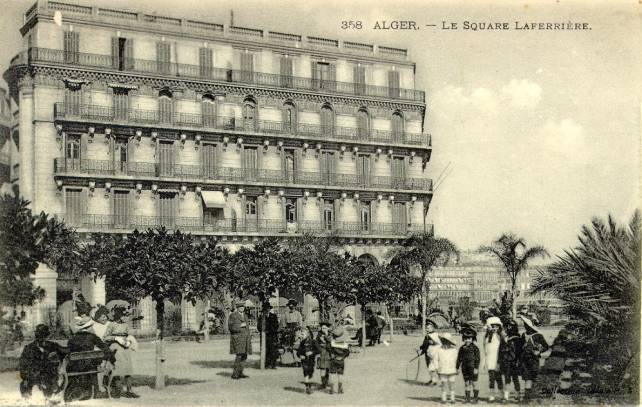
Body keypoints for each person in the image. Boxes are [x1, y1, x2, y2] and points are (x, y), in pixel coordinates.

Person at [66, 301, 112, 401]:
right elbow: (105, 347)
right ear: (89, 327)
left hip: (75, 366)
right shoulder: (93, 337)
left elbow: (69, 351)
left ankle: (73, 392)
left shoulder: (72, 339)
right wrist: (107, 355)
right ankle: (96, 391)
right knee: (93, 362)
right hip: (90, 365)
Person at [19, 324, 68, 399]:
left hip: (48, 376)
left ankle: (49, 398)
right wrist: (25, 378)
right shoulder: (29, 348)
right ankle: (27, 400)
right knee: (24, 386)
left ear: (46, 336)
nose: (41, 339)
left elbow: (65, 352)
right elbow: (23, 364)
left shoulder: (53, 346)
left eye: (43, 336)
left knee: (49, 391)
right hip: (34, 375)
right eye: (39, 336)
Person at [104, 305, 138, 398]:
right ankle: (117, 390)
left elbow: (129, 335)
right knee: (117, 368)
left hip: (125, 347)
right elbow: (105, 337)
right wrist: (115, 338)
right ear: (117, 315)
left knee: (128, 368)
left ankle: (129, 390)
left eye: (124, 315)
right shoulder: (111, 325)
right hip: (115, 347)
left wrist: (129, 341)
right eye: (121, 315)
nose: (123, 317)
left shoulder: (125, 325)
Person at [519, 315, 550, 402]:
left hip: (534, 359)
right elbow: (520, 347)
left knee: (534, 377)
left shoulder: (538, 335)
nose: (525, 326)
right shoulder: (523, 335)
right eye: (525, 324)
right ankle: (527, 397)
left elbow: (546, 346)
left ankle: (534, 396)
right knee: (527, 377)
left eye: (526, 325)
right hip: (524, 359)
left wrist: (539, 352)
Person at [499, 319, 523, 402]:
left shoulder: (517, 339)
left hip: (514, 361)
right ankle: (506, 396)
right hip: (506, 361)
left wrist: (518, 361)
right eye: (506, 327)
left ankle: (517, 394)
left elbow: (519, 352)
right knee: (507, 378)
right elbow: (501, 350)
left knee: (515, 378)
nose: (506, 329)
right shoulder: (505, 338)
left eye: (508, 327)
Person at [229, 300, 252, 379]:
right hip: (238, 339)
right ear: (237, 307)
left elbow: (247, 328)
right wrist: (240, 325)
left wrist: (249, 336)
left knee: (244, 356)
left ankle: (240, 372)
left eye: (243, 307)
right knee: (239, 356)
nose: (242, 308)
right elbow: (231, 327)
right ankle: (235, 374)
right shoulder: (233, 315)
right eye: (240, 307)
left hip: (245, 339)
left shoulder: (245, 315)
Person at [457, 327, 480, 404]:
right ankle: (467, 398)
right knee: (467, 383)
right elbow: (459, 358)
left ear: (473, 339)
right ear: (463, 339)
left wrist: (476, 368)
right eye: (466, 338)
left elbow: (477, 359)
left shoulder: (475, 348)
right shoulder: (462, 348)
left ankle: (476, 398)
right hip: (464, 368)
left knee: (474, 383)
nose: (467, 340)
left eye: (469, 338)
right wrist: (457, 367)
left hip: (472, 368)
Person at [483, 316, 504, 402]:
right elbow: (485, 349)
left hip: (498, 360)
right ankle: (491, 395)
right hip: (490, 360)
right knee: (491, 379)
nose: (495, 328)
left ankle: (501, 395)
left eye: (497, 326)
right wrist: (484, 361)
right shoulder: (486, 337)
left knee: (499, 378)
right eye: (493, 326)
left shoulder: (500, 336)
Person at [434, 332, 458, 403]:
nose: (445, 343)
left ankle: (452, 398)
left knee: (452, 383)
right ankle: (443, 398)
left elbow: (457, 360)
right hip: (442, 369)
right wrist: (437, 368)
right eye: (443, 341)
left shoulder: (454, 350)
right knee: (443, 383)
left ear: (450, 342)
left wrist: (457, 368)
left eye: (447, 342)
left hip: (452, 369)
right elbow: (435, 359)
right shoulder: (439, 350)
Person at [297, 326, 320, 394]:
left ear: (307, 334)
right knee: (305, 372)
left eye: (303, 334)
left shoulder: (313, 341)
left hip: (311, 360)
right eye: (301, 334)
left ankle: (309, 384)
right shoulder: (302, 342)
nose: (301, 335)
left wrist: (312, 352)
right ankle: (307, 387)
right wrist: (300, 355)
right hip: (304, 360)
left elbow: (319, 350)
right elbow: (298, 351)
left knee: (310, 373)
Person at [328, 326, 350, 395]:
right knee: (340, 374)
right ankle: (340, 388)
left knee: (332, 374)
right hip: (341, 360)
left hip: (333, 360)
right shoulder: (344, 344)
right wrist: (343, 357)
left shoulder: (332, 343)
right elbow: (347, 353)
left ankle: (331, 388)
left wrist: (332, 355)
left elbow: (329, 349)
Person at [418, 319, 441, 385]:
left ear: (432, 328)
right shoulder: (427, 336)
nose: (427, 329)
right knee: (430, 367)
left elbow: (439, 344)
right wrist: (421, 349)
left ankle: (441, 380)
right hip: (428, 354)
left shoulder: (435, 335)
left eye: (428, 328)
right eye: (426, 328)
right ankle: (433, 379)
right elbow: (424, 344)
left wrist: (422, 349)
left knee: (435, 367)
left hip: (434, 354)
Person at [258, 305, 280, 369]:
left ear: (269, 309)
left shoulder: (273, 316)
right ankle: (267, 364)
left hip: (272, 336)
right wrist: (263, 331)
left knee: (273, 350)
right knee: (266, 350)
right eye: (265, 309)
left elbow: (276, 325)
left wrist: (270, 330)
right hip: (264, 336)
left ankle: (273, 364)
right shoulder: (261, 317)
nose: (266, 310)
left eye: (268, 309)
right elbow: (258, 326)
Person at [316, 321, 332, 389]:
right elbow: (316, 343)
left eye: (325, 328)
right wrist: (319, 350)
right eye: (322, 328)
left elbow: (331, 342)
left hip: (329, 352)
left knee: (328, 368)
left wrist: (326, 335)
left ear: (328, 328)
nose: (323, 329)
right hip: (322, 352)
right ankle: (323, 383)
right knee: (322, 368)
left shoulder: (330, 335)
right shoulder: (319, 335)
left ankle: (327, 382)